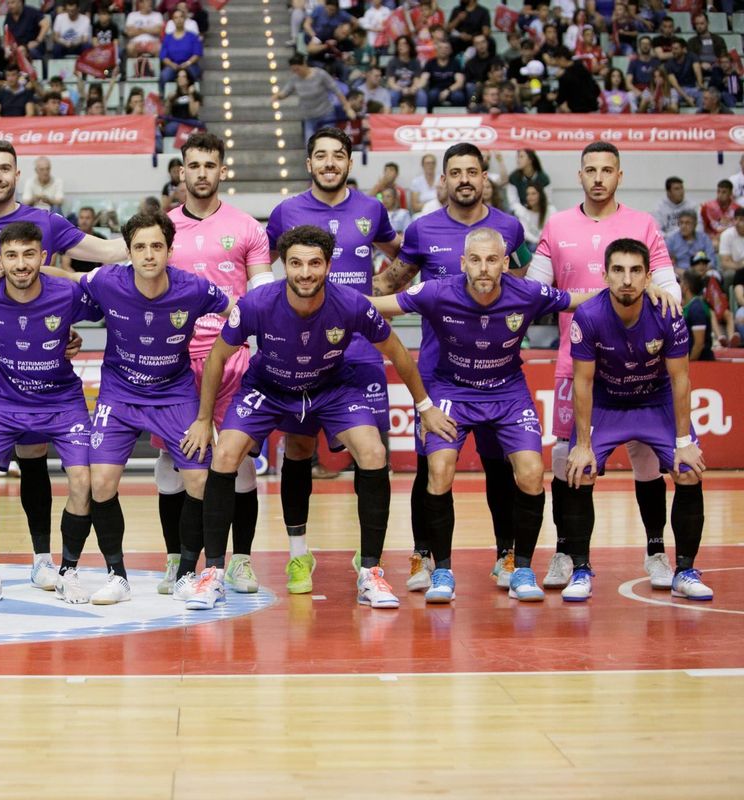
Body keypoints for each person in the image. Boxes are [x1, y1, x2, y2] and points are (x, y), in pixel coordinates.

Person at [187, 225, 449, 611]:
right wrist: (202, 418)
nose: (304, 272)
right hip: (269, 387)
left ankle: (371, 572)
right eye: (295, 264)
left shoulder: (353, 304)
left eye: (313, 263)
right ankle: (212, 572)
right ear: (284, 268)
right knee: (225, 455)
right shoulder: (257, 303)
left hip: (332, 387)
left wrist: (426, 408)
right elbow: (217, 359)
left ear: (328, 265)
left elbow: (398, 353)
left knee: (374, 453)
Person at [373, 228, 636, 603]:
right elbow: (381, 304)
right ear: (463, 263)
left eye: (492, 260)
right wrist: (327, 296)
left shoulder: (527, 293)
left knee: (530, 473)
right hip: (453, 391)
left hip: (508, 392)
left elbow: (576, 299)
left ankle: (522, 569)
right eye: (476, 260)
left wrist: (634, 290)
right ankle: (443, 571)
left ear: (506, 264)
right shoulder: (436, 291)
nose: (483, 268)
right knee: (439, 470)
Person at [0, 140, 128, 590]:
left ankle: (41, 558)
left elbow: (109, 255)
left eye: (4, 169)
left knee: (33, 462)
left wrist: (169, 239)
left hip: (41, 361)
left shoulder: (45, 222)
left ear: (19, 175)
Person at [38, 211, 234, 603]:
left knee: (199, 482)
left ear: (169, 250)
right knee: (100, 483)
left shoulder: (194, 288)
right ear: (127, 251)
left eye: (156, 246)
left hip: (175, 394)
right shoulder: (108, 281)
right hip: (120, 396)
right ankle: (118, 577)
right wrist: (15, 270)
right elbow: (68, 279)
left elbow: (236, 311)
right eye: (140, 247)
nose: (148, 255)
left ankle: (187, 574)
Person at [373, 142, 530, 592]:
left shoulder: (510, 229)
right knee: (431, 470)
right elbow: (391, 283)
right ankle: (424, 557)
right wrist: (341, 296)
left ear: (485, 178)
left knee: (501, 469)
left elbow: (521, 287)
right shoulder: (422, 230)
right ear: (442, 180)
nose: (464, 179)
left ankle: (507, 554)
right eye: (455, 172)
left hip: (499, 374)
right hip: (441, 375)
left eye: (472, 171)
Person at [527, 141, 681, 592]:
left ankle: (656, 552)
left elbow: (668, 288)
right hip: (573, 366)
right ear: (579, 176)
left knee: (646, 459)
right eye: (590, 169)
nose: (598, 177)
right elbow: (533, 293)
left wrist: (660, 290)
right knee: (566, 459)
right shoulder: (556, 226)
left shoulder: (643, 225)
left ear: (619, 175)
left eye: (607, 170)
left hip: (640, 368)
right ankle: (565, 552)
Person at [265, 127, 402, 592]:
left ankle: (370, 563)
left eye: (338, 156)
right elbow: (265, 269)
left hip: (360, 353)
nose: (329, 163)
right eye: (321, 156)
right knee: (299, 450)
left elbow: (398, 256)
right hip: (302, 354)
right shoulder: (286, 212)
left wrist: (384, 289)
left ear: (348, 162)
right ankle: (299, 556)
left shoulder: (371, 209)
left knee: (373, 454)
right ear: (309, 164)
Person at [0, 222, 101, 605]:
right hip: (5, 403)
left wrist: (70, 331)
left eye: (29, 255)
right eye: (11, 256)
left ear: (43, 257)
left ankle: (67, 572)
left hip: (62, 401)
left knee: (84, 480)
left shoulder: (66, 291)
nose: (20, 264)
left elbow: (102, 291)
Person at [147, 132, 272, 594]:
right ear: (181, 171)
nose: (201, 173)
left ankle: (239, 561)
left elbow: (261, 296)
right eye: (193, 165)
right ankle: (176, 559)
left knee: (235, 462)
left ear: (223, 171)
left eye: (209, 165)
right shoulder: (160, 229)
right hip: (174, 363)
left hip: (234, 360)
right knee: (171, 463)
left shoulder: (247, 228)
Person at [565, 239, 713, 601]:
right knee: (579, 471)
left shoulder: (668, 314)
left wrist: (683, 442)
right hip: (606, 402)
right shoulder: (589, 316)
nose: (626, 279)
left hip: (655, 400)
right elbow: (582, 382)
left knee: (688, 470)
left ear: (648, 277)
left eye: (635, 271)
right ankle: (581, 569)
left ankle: (685, 571)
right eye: (618, 270)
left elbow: (681, 379)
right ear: (605, 275)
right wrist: (583, 446)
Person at [276, 53, 350, 144]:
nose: (296, 72)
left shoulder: (320, 74)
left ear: (304, 64)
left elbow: (336, 90)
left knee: (326, 142)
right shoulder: (294, 78)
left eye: (298, 69)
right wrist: (278, 96)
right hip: (309, 117)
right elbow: (286, 91)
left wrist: (347, 106)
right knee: (309, 144)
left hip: (325, 114)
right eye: (293, 70)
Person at [680, 269, 715, 362]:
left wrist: (689, 364)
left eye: (681, 282)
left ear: (685, 286)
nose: (679, 286)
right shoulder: (688, 306)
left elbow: (699, 344)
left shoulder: (697, 308)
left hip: (701, 365)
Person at [507, 184, 555, 251]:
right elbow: (525, 233)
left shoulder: (550, 210)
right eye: (528, 194)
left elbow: (554, 229)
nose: (530, 197)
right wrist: (537, 241)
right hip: (532, 244)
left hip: (548, 242)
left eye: (533, 194)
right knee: (533, 247)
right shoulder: (523, 212)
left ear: (541, 195)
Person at [699, 179, 740, 248]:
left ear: (730, 193)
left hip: (732, 240)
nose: (720, 195)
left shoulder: (738, 209)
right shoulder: (706, 207)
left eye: (724, 192)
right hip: (712, 239)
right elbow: (702, 227)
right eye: (718, 191)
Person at [61, 207, 104, 273]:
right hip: (74, 278)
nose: (84, 221)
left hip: (95, 279)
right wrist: (79, 279)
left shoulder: (101, 239)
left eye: (87, 218)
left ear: (94, 220)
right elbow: (65, 266)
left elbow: (106, 265)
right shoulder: (70, 239)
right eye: (81, 217)